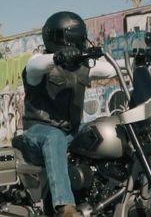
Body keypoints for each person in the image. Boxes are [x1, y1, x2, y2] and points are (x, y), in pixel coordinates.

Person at [20, 11, 117, 217]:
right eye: (70, 38)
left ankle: (115, 191)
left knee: (107, 129)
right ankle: (66, 208)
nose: (75, 42)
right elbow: (34, 65)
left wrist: (137, 60)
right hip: (37, 132)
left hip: (71, 130)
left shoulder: (83, 67)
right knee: (54, 137)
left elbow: (110, 70)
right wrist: (57, 57)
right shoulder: (39, 63)